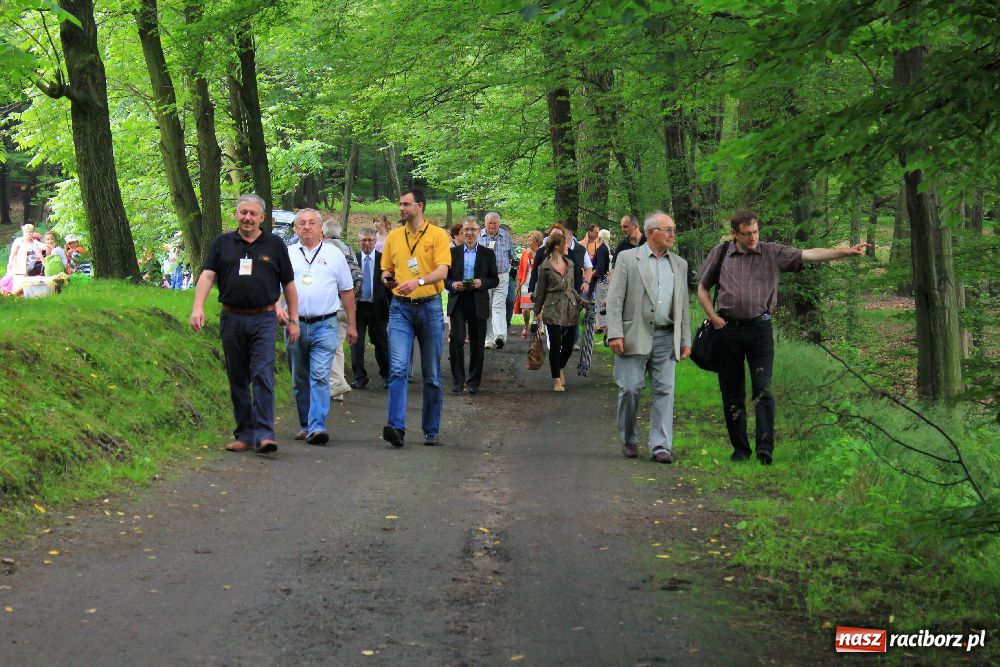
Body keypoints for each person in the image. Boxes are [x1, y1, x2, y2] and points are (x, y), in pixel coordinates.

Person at [696, 209, 870, 465]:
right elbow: (702, 287)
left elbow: (809, 254)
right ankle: (740, 449)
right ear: (734, 234)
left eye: (755, 232)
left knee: (763, 389)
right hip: (727, 330)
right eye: (747, 234)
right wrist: (712, 316)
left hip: (759, 330)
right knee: (732, 392)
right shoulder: (721, 253)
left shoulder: (771, 253)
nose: (753, 238)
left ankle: (765, 449)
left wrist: (845, 252)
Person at [189, 194, 298, 455]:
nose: (247, 218)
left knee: (262, 374)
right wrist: (197, 307)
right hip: (232, 318)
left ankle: (265, 434)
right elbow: (207, 275)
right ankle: (245, 434)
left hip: (264, 319)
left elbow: (288, 283)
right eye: (243, 212)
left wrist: (293, 319)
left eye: (253, 214)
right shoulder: (222, 243)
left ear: (262, 218)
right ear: (236, 215)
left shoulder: (274, 244)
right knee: (237, 376)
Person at [606, 212, 691, 464]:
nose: (673, 234)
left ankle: (661, 446)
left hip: (666, 336)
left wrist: (685, 339)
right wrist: (615, 333)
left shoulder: (679, 264)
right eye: (668, 230)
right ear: (652, 232)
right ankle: (629, 439)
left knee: (665, 391)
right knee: (630, 388)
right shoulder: (627, 258)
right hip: (633, 334)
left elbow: (683, 305)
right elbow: (615, 298)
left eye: (673, 229)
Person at [275, 209, 357, 445]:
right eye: (301, 223)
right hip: (295, 324)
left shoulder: (334, 254)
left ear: (321, 228)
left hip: (325, 324)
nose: (307, 227)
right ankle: (305, 424)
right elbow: (274, 287)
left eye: (312, 223)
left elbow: (347, 291)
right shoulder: (287, 253)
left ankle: (317, 426)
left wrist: (352, 324)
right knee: (299, 378)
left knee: (320, 375)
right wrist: (278, 309)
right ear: (295, 228)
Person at [380, 189, 451, 447]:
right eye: (400, 204)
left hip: (430, 307)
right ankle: (396, 427)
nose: (401, 208)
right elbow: (386, 270)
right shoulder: (394, 237)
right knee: (398, 369)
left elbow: (442, 271)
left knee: (431, 373)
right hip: (400, 309)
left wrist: (418, 281)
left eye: (406, 204)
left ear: (419, 206)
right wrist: (387, 280)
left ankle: (431, 429)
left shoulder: (437, 235)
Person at [446, 217, 499, 395]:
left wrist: (481, 282)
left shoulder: (487, 253)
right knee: (456, 339)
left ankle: (474, 382)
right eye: (466, 230)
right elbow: (445, 279)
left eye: (473, 230)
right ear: (462, 232)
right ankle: (457, 381)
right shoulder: (453, 253)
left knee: (477, 343)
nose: (469, 233)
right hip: (458, 300)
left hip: (478, 300)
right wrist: (453, 285)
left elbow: (494, 279)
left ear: (479, 231)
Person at [532, 229, 581, 392]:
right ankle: (556, 380)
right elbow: (540, 292)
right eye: (565, 244)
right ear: (557, 246)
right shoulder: (545, 267)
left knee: (568, 346)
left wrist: (581, 300)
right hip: (552, 309)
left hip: (570, 308)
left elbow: (571, 287)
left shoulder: (570, 264)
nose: (568, 246)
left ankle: (559, 367)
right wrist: (536, 313)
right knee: (555, 345)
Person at [323, 220, 363, 402]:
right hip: (347, 304)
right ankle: (337, 387)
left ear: (324, 232)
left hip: (330, 305)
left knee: (326, 346)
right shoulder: (348, 249)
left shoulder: (324, 248)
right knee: (338, 347)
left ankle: (335, 383)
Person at [351, 227, 391, 391]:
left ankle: (387, 375)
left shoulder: (383, 260)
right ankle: (360, 377)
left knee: (381, 343)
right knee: (356, 344)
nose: (367, 243)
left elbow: (390, 284)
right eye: (364, 240)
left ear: (375, 241)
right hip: (358, 307)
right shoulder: (353, 260)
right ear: (359, 241)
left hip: (378, 307)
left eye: (370, 240)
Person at [478, 212, 516, 349]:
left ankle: (500, 335)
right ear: (485, 223)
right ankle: (488, 339)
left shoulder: (505, 236)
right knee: (487, 307)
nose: (492, 226)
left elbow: (512, 255)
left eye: (495, 223)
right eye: (490, 223)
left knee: (498, 305)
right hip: (485, 278)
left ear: (499, 224)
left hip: (502, 276)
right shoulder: (478, 236)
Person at [514, 230, 543, 338]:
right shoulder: (525, 253)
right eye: (528, 240)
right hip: (526, 284)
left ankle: (538, 330)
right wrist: (519, 285)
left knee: (537, 310)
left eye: (530, 241)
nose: (528, 243)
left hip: (538, 285)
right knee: (526, 309)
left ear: (537, 242)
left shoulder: (542, 253)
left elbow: (542, 267)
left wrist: (534, 256)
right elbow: (521, 269)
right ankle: (526, 326)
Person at [594, 228, 613, 345]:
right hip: (606, 281)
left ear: (600, 238)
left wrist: (591, 274)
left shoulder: (601, 249)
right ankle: (608, 335)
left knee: (601, 307)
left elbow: (600, 268)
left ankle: (608, 336)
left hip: (601, 282)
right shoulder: (607, 249)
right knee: (605, 307)